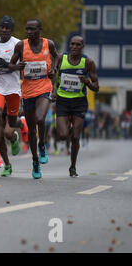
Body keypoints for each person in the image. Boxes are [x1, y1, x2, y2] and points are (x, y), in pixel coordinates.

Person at [9, 19, 59, 179]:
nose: (29, 32)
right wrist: (18, 67)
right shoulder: (21, 46)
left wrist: (54, 70)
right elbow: (11, 64)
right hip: (28, 91)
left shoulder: (48, 44)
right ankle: (35, 161)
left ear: (40, 30)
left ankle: (42, 144)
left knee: (40, 118)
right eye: (27, 29)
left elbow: (56, 57)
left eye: (32, 29)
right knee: (31, 131)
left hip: (44, 88)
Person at [54, 35, 99, 177]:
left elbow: (96, 87)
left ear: (82, 46)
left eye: (78, 44)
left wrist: (87, 82)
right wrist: (52, 91)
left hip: (79, 102)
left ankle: (72, 166)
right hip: (62, 100)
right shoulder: (62, 58)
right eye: (72, 44)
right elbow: (52, 76)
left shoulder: (88, 62)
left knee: (75, 137)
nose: (74, 47)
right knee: (62, 135)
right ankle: (67, 129)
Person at [0, 16, 24, 177]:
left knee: (8, 132)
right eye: (2, 27)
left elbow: (22, 66)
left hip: (13, 89)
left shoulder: (18, 44)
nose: (4, 30)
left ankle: (15, 135)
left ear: (11, 30)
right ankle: (1, 160)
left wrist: (7, 65)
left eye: (7, 28)